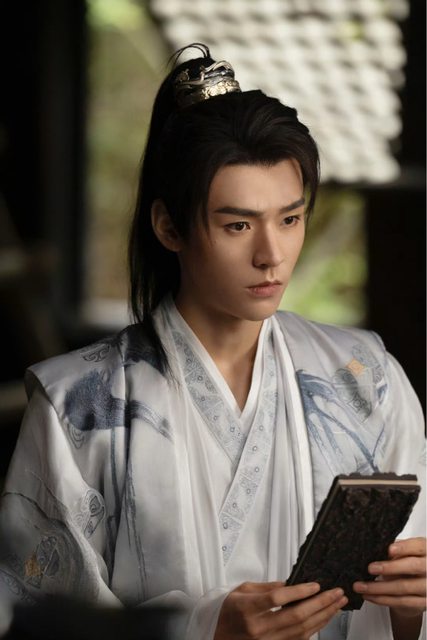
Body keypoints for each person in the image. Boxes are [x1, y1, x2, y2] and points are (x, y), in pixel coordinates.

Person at [0, 43, 425, 640]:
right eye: (238, 225)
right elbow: (32, 621)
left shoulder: (365, 378)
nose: (271, 255)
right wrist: (201, 628)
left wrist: (410, 606)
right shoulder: (77, 405)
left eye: (290, 219)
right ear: (168, 226)